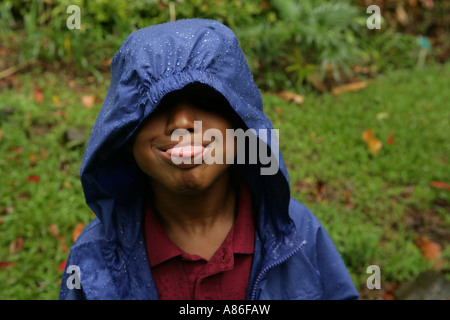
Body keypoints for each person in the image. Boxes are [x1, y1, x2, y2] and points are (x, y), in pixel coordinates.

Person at [58, 18, 359, 300]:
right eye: (155, 105)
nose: (182, 121)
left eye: (206, 101)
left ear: (243, 125)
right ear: (123, 137)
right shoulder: (93, 259)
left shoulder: (300, 235)